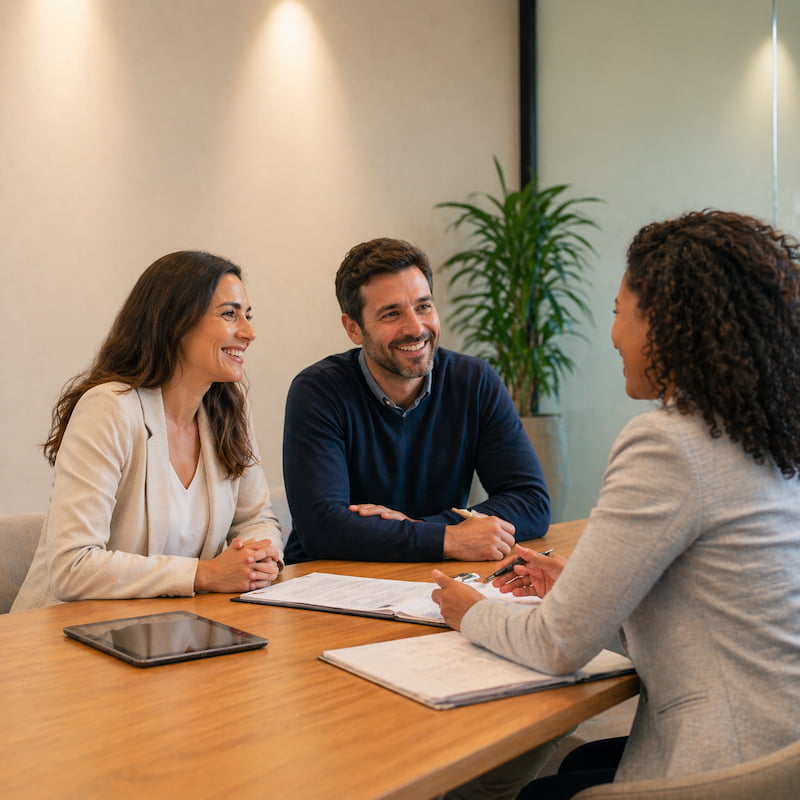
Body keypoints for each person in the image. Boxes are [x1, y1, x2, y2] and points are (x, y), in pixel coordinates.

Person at [432, 210, 800, 798]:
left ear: (665, 323)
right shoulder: (764, 437)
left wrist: (469, 609)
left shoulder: (668, 442)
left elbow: (558, 646)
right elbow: (712, 612)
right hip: (781, 745)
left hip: (724, 762)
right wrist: (578, 587)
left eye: (617, 312)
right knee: (578, 766)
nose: (613, 335)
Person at [12, 251, 283, 612]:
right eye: (229, 314)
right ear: (175, 323)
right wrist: (203, 574)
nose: (249, 332)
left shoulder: (229, 410)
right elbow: (72, 567)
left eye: (247, 315)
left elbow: (255, 518)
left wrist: (258, 555)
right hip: (62, 636)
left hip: (169, 628)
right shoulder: (109, 407)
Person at [281, 237, 550, 564]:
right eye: (392, 314)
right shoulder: (318, 392)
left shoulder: (474, 381)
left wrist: (425, 529)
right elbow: (323, 529)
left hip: (427, 581)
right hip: (324, 586)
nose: (416, 328)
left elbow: (531, 502)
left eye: (424, 306)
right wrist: (446, 538)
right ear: (353, 328)